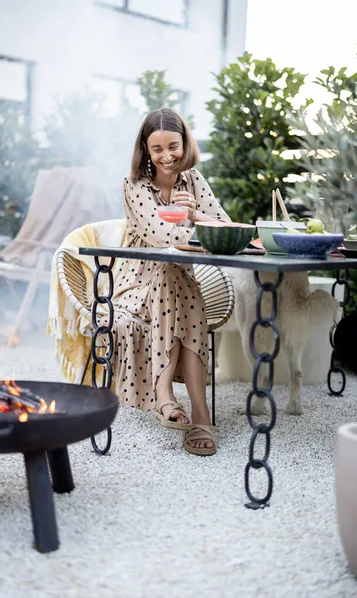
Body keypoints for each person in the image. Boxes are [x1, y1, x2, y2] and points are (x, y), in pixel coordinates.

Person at [110, 107, 230, 456]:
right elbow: (161, 237)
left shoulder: (194, 181)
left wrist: (195, 213)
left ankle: (166, 397)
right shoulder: (134, 185)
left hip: (175, 282)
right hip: (135, 283)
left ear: (185, 143)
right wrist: (196, 229)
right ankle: (199, 412)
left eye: (173, 146)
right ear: (145, 150)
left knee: (174, 277)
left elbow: (228, 230)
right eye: (157, 149)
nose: (167, 156)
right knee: (169, 271)